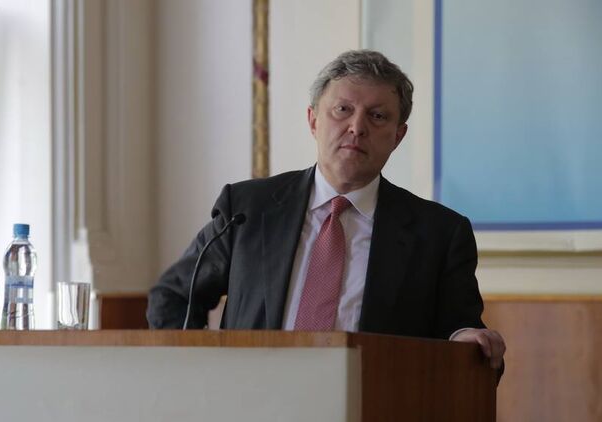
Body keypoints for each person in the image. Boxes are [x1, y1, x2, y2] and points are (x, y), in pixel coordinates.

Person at [147, 49, 505, 370]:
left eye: (377, 116)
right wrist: (200, 371)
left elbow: (460, 332)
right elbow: (174, 297)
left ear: (398, 137)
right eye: (343, 110)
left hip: (373, 404)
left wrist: (466, 342)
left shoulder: (439, 234)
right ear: (314, 120)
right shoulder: (247, 208)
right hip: (252, 401)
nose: (357, 127)